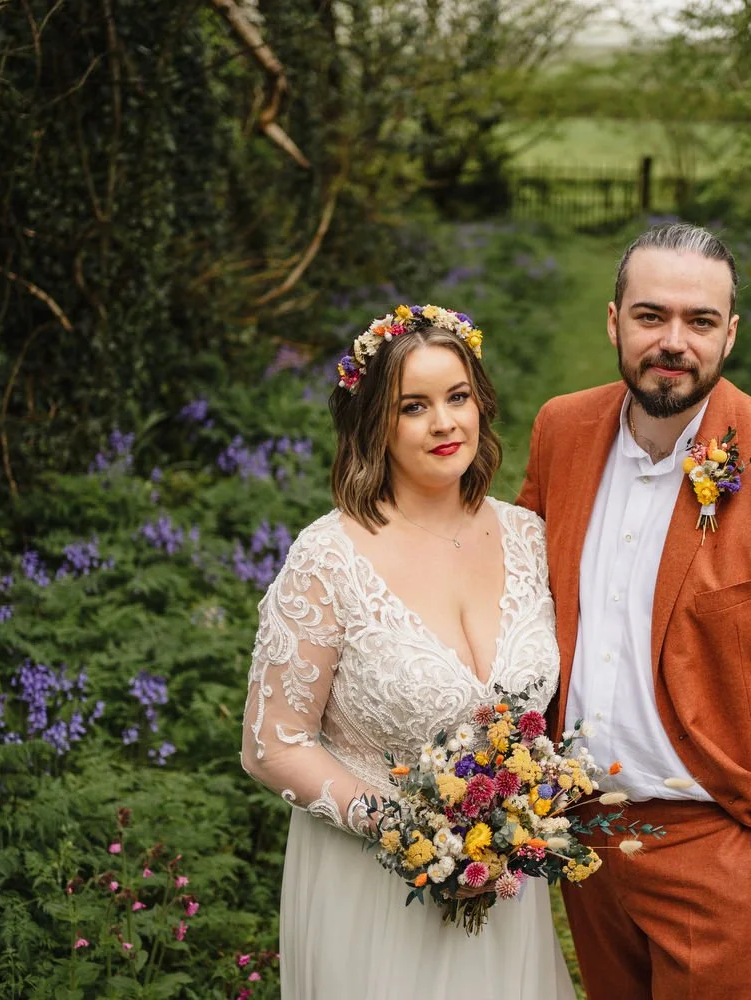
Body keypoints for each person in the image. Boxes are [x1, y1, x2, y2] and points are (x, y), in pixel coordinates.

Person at [516, 223, 751, 1000]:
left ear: (731, 334)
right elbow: (521, 604)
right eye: (651, 316)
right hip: (580, 833)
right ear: (613, 320)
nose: (673, 341)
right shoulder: (561, 430)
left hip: (716, 845)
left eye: (700, 320)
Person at [241, 305, 576, 999]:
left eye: (457, 398)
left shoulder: (528, 538)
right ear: (374, 425)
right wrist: (402, 827)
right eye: (413, 407)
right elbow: (271, 744)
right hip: (372, 890)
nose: (445, 423)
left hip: (505, 891)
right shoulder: (328, 559)